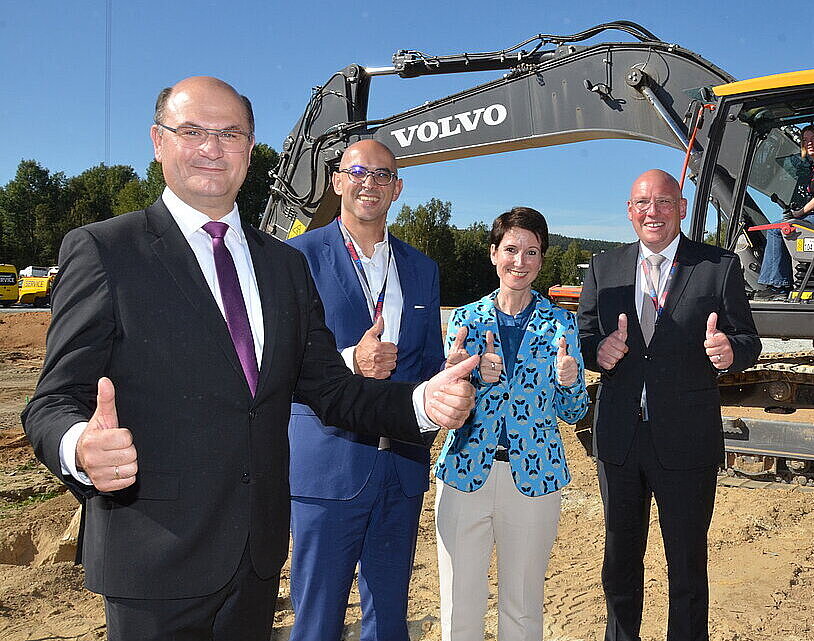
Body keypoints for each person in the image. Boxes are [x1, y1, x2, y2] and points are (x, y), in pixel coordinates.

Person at [20, 76, 478, 641]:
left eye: (230, 133)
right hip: (156, 557)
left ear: (251, 147)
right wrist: (78, 446)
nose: (213, 147)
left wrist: (422, 403)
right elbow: (52, 400)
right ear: (158, 141)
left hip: (256, 561)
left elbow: (332, 391)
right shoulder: (105, 250)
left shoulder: (283, 267)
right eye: (193, 131)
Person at [578, 169, 760, 641]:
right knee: (619, 561)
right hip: (620, 439)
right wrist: (598, 351)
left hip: (686, 440)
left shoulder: (717, 267)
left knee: (686, 564)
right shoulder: (605, 267)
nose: (651, 211)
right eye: (641, 203)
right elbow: (583, 338)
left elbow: (747, 339)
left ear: (681, 207)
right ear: (629, 211)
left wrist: (729, 353)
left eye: (663, 201)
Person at [286, 140, 444, 641]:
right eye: (358, 172)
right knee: (319, 620)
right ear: (336, 181)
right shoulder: (297, 258)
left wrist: (454, 378)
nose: (369, 183)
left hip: (399, 469)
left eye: (382, 175)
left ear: (397, 188)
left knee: (389, 617)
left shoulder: (422, 268)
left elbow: (428, 364)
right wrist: (351, 359)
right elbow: (280, 363)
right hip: (328, 467)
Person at [434, 207, 589, 641]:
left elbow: (573, 412)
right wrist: (462, 376)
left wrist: (571, 382)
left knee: (522, 608)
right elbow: (448, 408)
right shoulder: (465, 320)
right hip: (466, 474)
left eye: (531, 252)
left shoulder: (562, 324)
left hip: (535, 479)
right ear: (493, 254)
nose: (519, 261)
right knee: (458, 607)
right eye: (511, 250)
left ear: (541, 259)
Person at [755, 124, 814, 299]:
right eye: (805, 140)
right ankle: (779, 282)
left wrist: (800, 212)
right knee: (780, 226)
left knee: (776, 230)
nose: (809, 143)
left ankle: (777, 286)